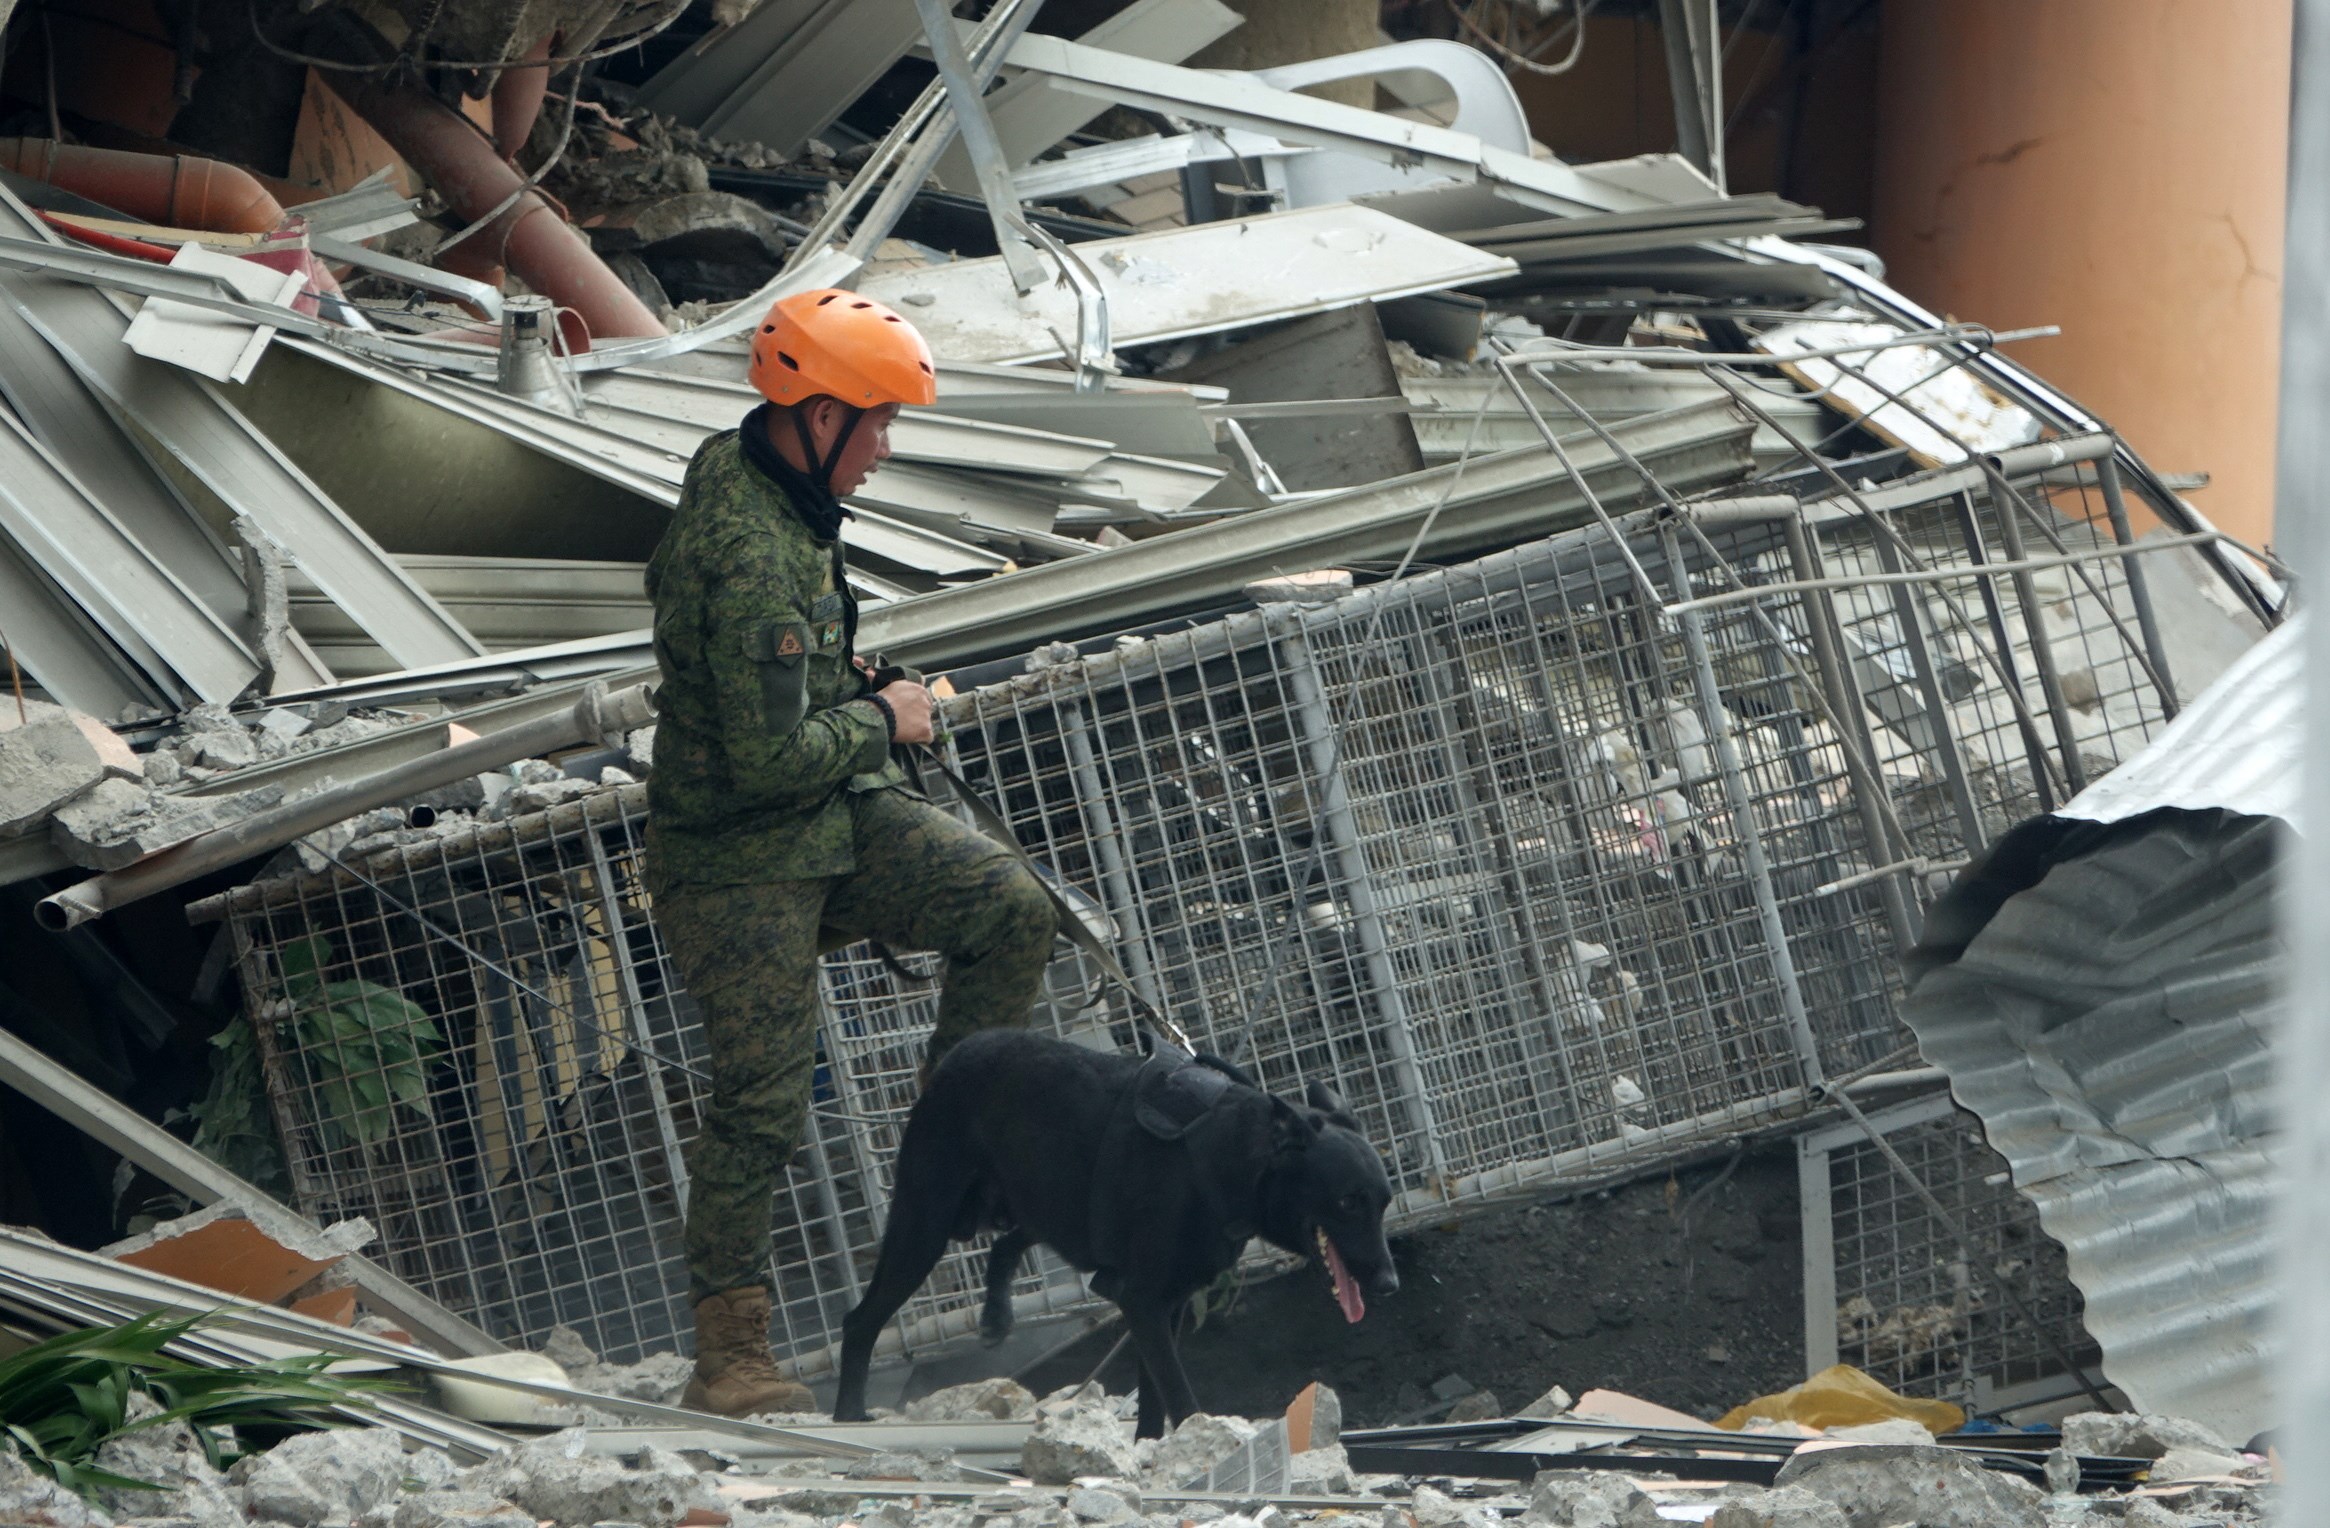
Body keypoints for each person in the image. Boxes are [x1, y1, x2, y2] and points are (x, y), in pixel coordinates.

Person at [643, 288, 1058, 1416]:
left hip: (834, 811)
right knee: (762, 1105)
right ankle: (730, 1354)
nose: (885, 446)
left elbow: (790, 689)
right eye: (875, 421)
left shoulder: (769, 485)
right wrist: (887, 719)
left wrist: (855, 685)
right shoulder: (747, 554)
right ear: (816, 415)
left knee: (1010, 906)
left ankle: (956, 1132)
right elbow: (766, 760)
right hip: (739, 856)